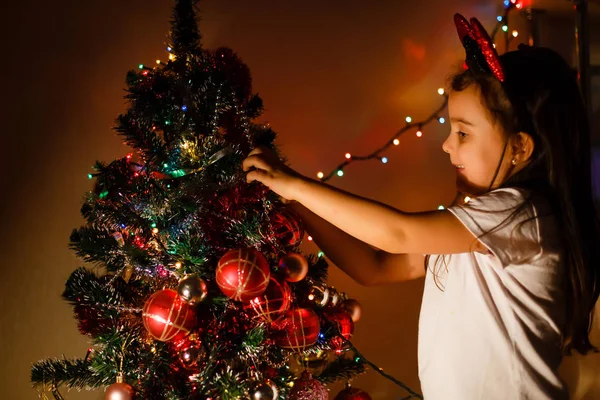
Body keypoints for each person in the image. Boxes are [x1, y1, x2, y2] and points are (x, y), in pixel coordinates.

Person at [242, 13, 600, 400]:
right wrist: (295, 202)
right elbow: (373, 267)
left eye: (463, 132)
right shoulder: (481, 227)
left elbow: (398, 233)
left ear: (520, 147)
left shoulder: (521, 215)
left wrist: (294, 184)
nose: (447, 145)